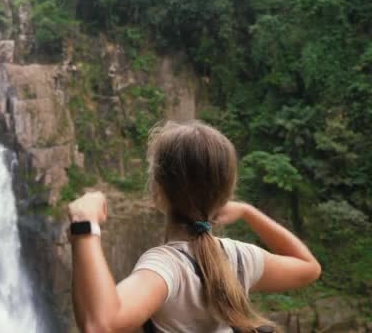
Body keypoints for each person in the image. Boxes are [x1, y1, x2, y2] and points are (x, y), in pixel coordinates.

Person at [68, 121, 321, 333]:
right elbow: (309, 268)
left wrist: (84, 224)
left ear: (158, 191)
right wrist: (249, 212)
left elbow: (101, 324)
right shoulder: (239, 257)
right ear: (226, 195)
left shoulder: (167, 266)